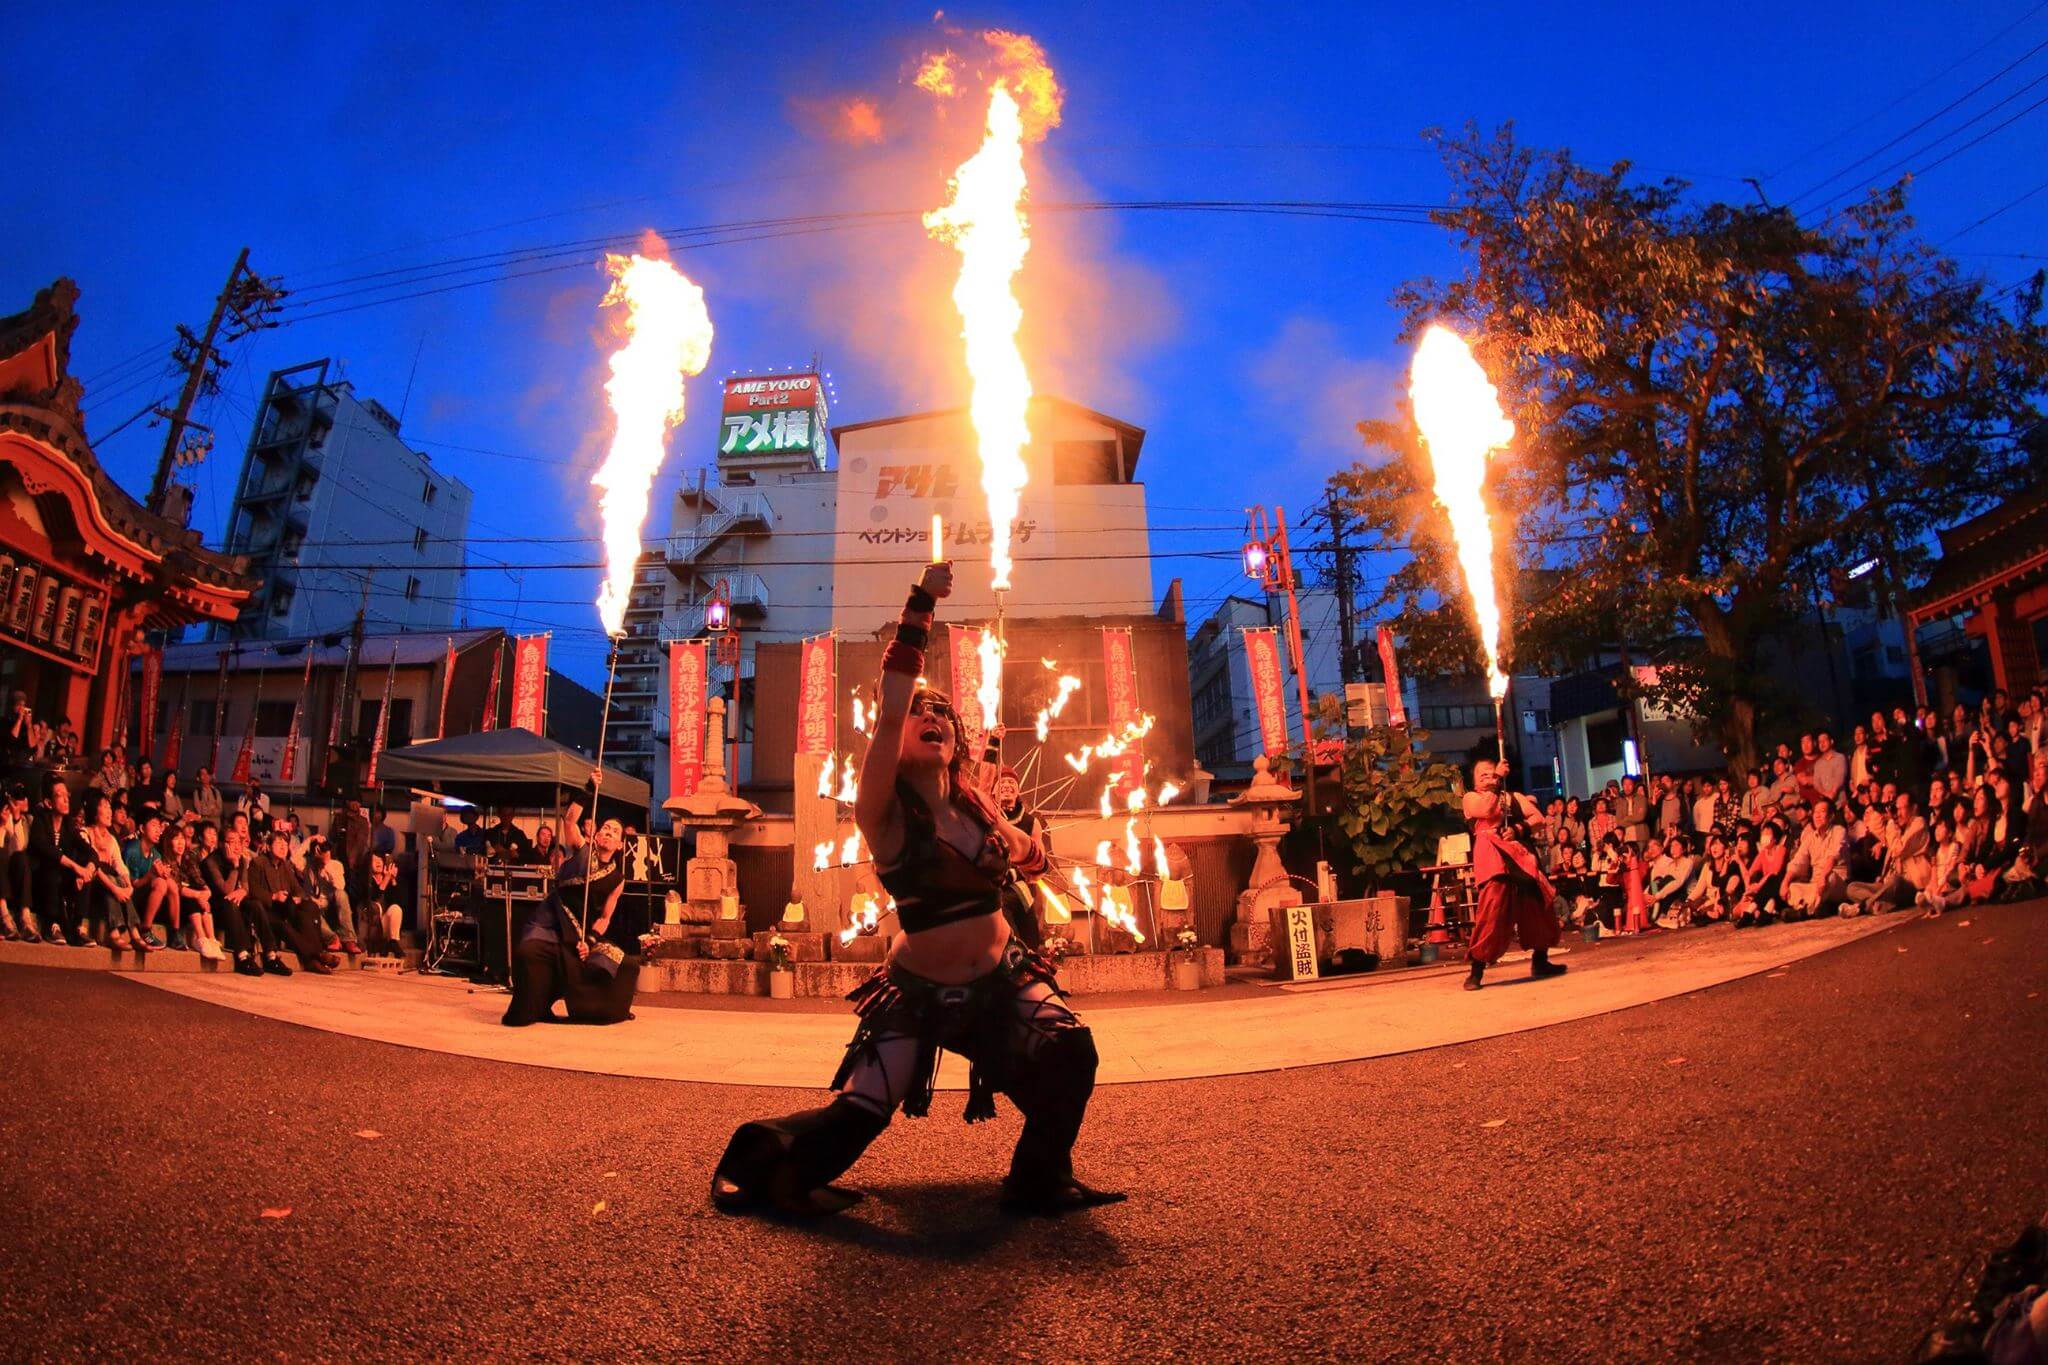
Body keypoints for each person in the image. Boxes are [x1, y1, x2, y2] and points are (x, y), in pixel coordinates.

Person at [712, 560, 1121, 1219]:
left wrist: (1025, 849)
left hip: (1004, 982)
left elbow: (1035, 865)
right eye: (919, 714)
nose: (933, 717)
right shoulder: (886, 810)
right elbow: (894, 699)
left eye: (944, 715)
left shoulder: (977, 806)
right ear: (898, 733)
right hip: (917, 995)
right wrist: (921, 603)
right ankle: (765, 1166)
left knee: (1072, 1054)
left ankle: (1036, 1179)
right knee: (859, 1114)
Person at [502, 795, 634, 1027]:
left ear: (621, 844)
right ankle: (536, 1007)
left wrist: (590, 941)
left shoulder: (617, 879)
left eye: (614, 831)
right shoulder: (582, 851)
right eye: (605, 828)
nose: (608, 832)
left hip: (581, 934)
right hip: (551, 921)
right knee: (528, 952)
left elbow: (604, 918)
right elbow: (570, 821)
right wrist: (588, 789)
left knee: (625, 964)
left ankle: (602, 1010)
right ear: (595, 834)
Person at [1460, 758, 1565, 990]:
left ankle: (1541, 960)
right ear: (1475, 781)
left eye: (1491, 773)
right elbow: (1487, 809)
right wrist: (1496, 780)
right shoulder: (1470, 798)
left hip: (1518, 854)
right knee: (1492, 909)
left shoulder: (1512, 797)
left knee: (1538, 904)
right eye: (1483, 775)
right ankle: (1476, 969)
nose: (1488, 778)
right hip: (1491, 854)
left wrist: (1518, 829)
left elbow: (1537, 818)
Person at [245, 826, 337, 972]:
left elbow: (298, 889)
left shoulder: (285, 865)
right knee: (283, 926)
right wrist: (273, 896)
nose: (283, 846)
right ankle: (316, 956)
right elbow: (253, 890)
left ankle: (314, 957)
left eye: (286, 844)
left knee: (310, 907)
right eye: (279, 843)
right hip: (267, 910)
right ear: (268, 847)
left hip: (286, 907)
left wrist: (298, 898)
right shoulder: (258, 863)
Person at [199, 822, 285, 976]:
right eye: (232, 842)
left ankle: (271, 955)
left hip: (235, 902)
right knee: (230, 903)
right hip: (216, 908)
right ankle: (242, 956)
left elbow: (245, 887)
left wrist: (242, 891)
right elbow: (225, 890)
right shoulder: (210, 862)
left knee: (255, 905)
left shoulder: (243, 860)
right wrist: (234, 866)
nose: (237, 846)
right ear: (221, 844)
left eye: (239, 842)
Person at [78, 792, 145, 951]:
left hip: (110, 882)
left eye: (109, 807)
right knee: (113, 880)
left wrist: (128, 885)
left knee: (120, 879)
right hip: (92, 884)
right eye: (105, 807)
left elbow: (119, 865)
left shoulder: (111, 839)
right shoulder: (85, 833)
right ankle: (114, 934)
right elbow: (94, 868)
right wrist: (116, 889)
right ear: (95, 811)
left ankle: (135, 934)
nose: (109, 812)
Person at [166, 824, 225, 961]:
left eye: (182, 839)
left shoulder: (187, 858)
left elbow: (198, 878)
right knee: (192, 898)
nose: (180, 843)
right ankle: (201, 938)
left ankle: (211, 939)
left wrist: (206, 892)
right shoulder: (166, 860)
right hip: (174, 903)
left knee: (200, 896)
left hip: (192, 898)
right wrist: (199, 895)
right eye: (176, 839)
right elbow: (177, 886)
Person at [1782, 797, 1848, 919]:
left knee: (1830, 878)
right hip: (1815, 884)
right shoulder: (1810, 837)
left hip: (1835, 881)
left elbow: (1833, 856)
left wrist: (1823, 876)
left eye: (1822, 812)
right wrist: (1785, 882)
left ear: (1831, 816)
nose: (1817, 816)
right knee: (1792, 887)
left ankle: (1804, 908)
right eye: (1815, 812)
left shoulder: (1839, 831)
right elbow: (1798, 861)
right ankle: (1811, 908)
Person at [359, 850, 404, 956]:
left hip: (383, 924)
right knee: (377, 906)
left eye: (380, 860)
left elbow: (398, 902)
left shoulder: (387, 878)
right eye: (374, 860)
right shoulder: (366, 879)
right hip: (370, 925)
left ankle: (393, 942)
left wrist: (393, 880)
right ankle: (383, 945)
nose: (378, 862)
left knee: (395, 909)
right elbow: (374, 896)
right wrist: (386, 878)